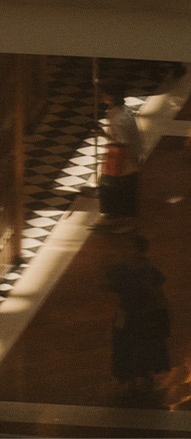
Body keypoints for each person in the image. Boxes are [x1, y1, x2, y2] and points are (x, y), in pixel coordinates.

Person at [104, 236, 171, 393]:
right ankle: (133, 377)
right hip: (130, 314)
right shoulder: (129, 269)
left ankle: (140, 375)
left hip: (142, 315)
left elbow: (159, 293)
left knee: (141, 345)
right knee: (128, 344)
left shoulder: (147, 271)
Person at [99, 86, 144, 229]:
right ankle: (115, 216)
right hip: (131, 155)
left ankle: (121, 221)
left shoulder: (118, 118)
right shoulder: (123, 111)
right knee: (124, 188)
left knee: (114, 187)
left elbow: (122, 141)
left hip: (124, 159)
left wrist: (104, 135)